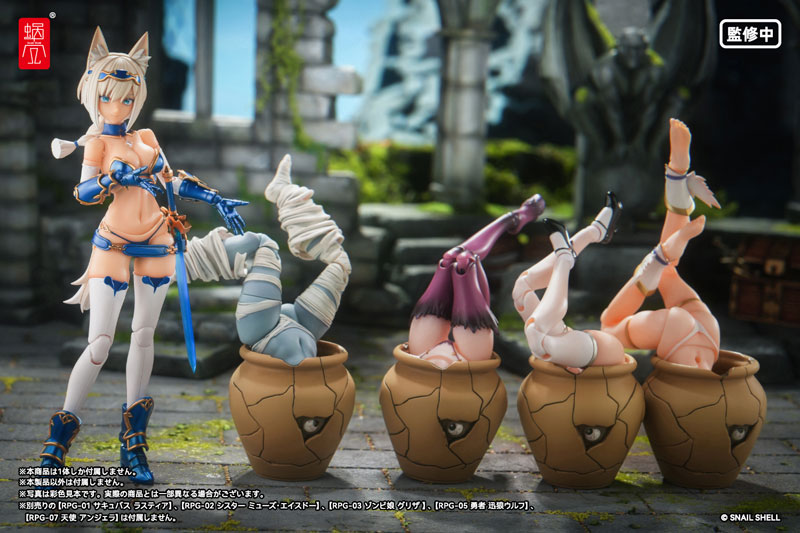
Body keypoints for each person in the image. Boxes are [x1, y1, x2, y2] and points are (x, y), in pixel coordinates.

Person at [40, 28, 246, 485]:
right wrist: (114, 179)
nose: (118, 107)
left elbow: (172, 181)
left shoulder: (147, 138)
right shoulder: (96, 143)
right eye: (109, 98)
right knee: (99, 344)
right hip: (113, 244)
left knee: (144, 336)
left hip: (157, 243)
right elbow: (83, 191)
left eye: (128, 98)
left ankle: (133, 443)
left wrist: (215, 199)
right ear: (94, 95)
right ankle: (58, 440)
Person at [600, 118, 720, 370]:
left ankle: (676, 183)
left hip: (707, 333)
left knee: (608, 327)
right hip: (691, 330)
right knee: (610, 323)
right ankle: (676, 186)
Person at [407, 195, 545, 368]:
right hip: (465, 360)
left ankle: (512, 219)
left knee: (451, 261)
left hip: (428, 360)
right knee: (460, 261)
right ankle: (512, 220)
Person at [512, 194, 626, 373]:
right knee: (522, 289)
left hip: (599, 349)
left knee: (536, 333)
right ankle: (589, 236)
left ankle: (567, 255)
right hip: (577, 341)